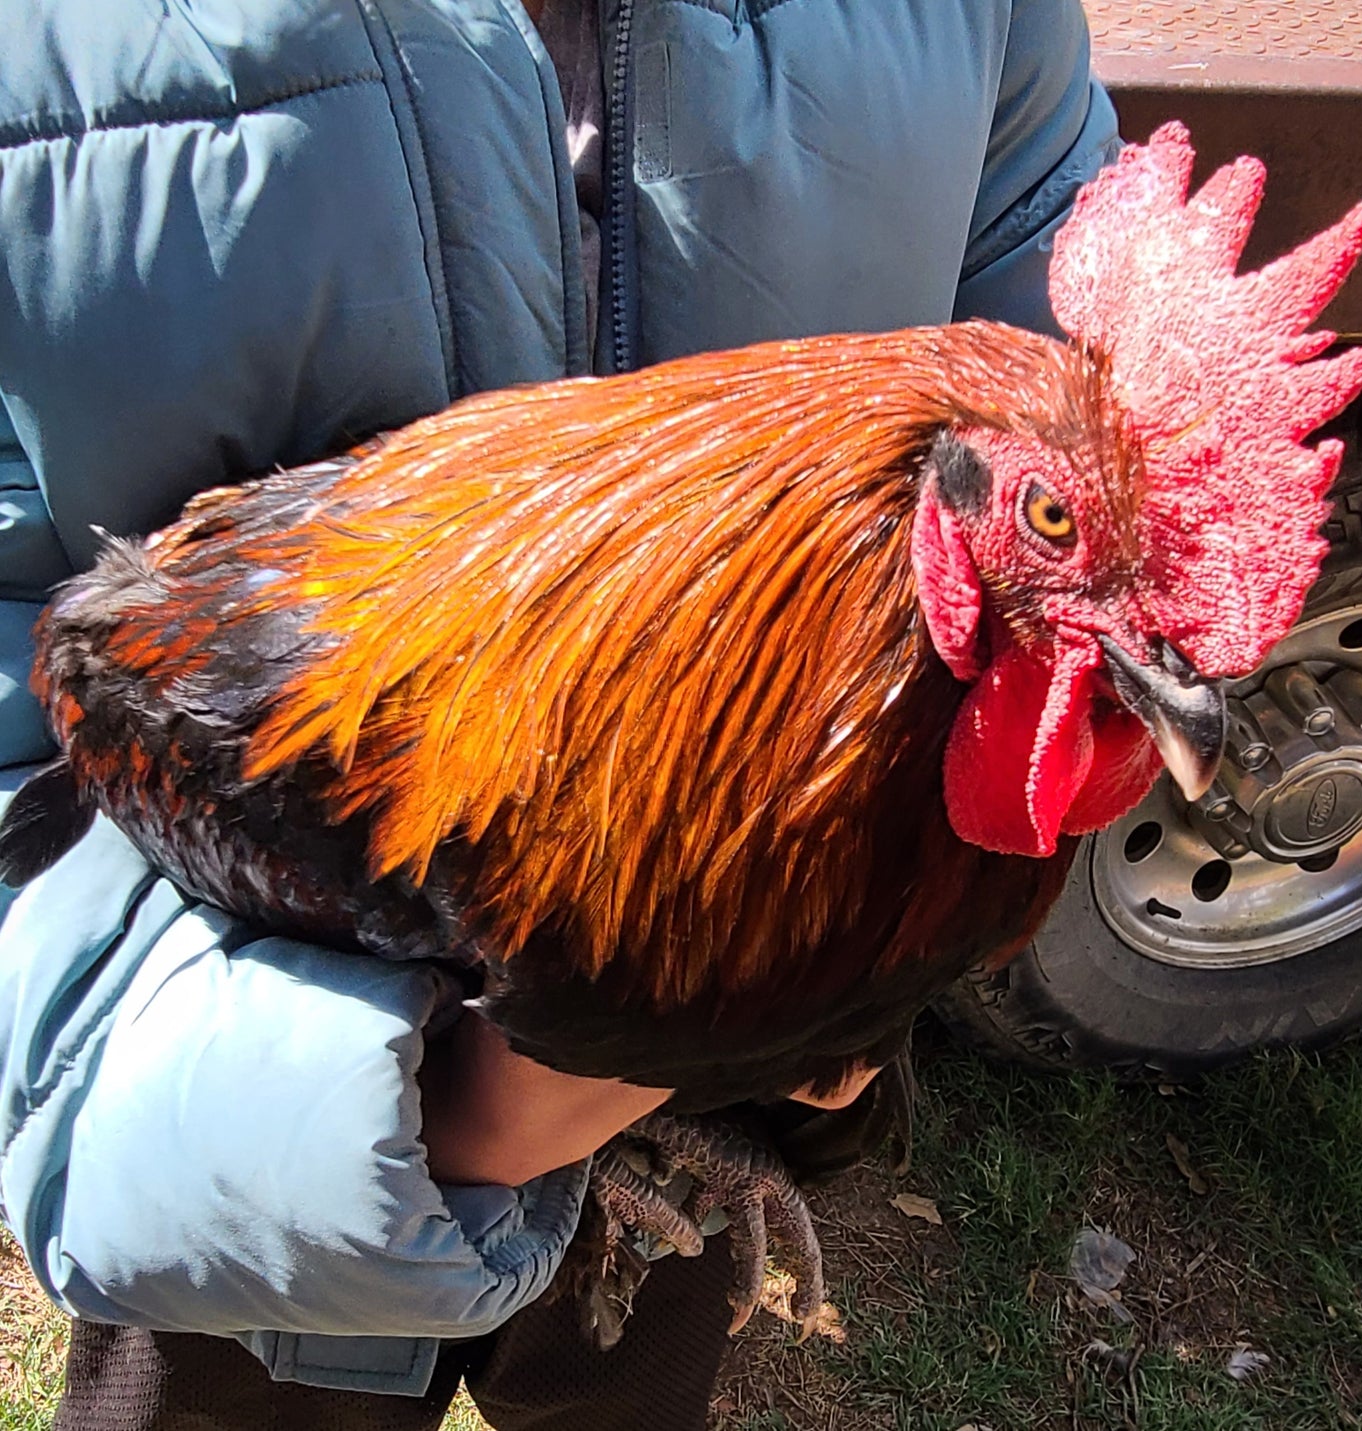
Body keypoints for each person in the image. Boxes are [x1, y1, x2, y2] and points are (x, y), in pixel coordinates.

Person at [0, 0, 1119, 1426]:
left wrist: (848, 940)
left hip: (725, 1028)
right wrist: (451, 1116)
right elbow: (65, 685)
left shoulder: (957, 24)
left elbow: (1070, 458)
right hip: (227, 1114)